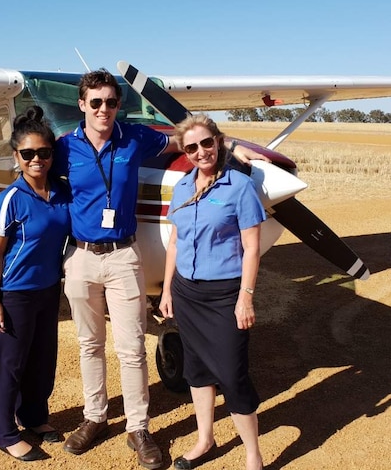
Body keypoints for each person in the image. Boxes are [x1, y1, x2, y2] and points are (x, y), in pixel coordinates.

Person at [54, 69, 264, 469]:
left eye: (111, 102)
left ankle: (138, 428)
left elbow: (185, 142)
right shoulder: (63, 148)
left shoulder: (134, 136)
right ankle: (95, 416)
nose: (103, 109)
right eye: (95, 102)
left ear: (119, 106)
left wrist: (234, 148)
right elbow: (35, 173)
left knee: (131, 348)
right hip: (80, 256)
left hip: (124, 254)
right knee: (89, 344)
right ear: (82, 105)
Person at [159, 114, 266, 470]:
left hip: (224, 295)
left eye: (207, 143)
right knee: (197, 369)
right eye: (192, 147)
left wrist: (245, 297)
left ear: (218, 142)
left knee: (233, 374)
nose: (201, 151)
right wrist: (167, 290)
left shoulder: (239, 187)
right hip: (186, 293)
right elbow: (175, 242)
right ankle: (205, 439)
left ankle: (253, 454)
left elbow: (252, 248)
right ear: (185, 152)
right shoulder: (182, 187)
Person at [0, 105, 72, 462]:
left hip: (49, 290)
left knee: (42, 360)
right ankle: (3, 431)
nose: (37, 159)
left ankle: (34, 417)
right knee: (10, 364)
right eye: (28, 154)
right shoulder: (9, 200)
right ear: (17, 156)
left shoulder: (62, 194)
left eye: (45, 152)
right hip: (15, 293)